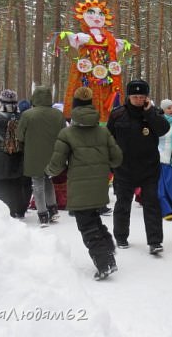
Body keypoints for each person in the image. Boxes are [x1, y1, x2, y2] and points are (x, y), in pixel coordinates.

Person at [46, 87, 123, 280]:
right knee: (94, 219)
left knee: (87, 226)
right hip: (99, 186)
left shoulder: (67, 134)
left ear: (74, 108)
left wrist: (48, 172)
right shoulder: (103, 132)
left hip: (80, 188)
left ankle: (104, 263)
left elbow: (57, 163)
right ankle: (109, 252)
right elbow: (117, 158)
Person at [107, 79, 169, 254]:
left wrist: (150, 113)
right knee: (123, 205)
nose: (138, 100)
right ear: (129, 96)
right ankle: (120, 237)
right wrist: (111, 163)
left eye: (142, 96)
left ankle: (155, 241)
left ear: (147, 97)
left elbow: (164, 130)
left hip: (149, 168)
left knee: (152, 205)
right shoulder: (118, 114)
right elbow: (108, 140)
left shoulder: (153, 114)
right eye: (135, 96)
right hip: (124, 168)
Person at [17, 86, 66, 227]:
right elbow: (64, 134)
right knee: (49, 180)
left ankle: (43, 214)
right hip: (53, 154)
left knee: (37, 183)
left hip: (33, 155)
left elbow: (20, 135)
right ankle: (53, 209)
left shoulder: (28, 115)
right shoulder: (58, 115)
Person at [0, 89, 30, 218]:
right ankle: (18, 210)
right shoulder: (22, 117)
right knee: (16, 184)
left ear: (1, 101)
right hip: (19, 156)